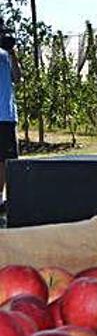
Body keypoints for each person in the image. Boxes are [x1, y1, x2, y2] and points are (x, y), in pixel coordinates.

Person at [0, 27, 20, 208]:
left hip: (6, 115)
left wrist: (12, 51)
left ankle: (1, 198)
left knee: (7, 160)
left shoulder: (6, 54)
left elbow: (17, 77)